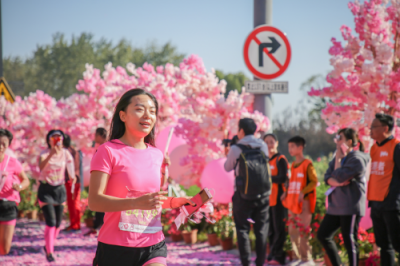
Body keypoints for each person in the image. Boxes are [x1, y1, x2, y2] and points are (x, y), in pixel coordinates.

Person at [88, 88, 195, 266]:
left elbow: (151, 201)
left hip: (153, 245)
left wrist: (178, 202)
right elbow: (94, 201)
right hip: (116, 248)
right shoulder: (107, 151)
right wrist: (135, 203)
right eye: (139, 109)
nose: (148, 116)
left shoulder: (157, 154)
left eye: (152, 111)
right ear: (123, 115)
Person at [317, 128, 369, 266]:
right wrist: (336, 179)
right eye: (337, 137)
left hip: (351, 205)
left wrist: (337, 176)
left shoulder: (357, 159)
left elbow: (338, 176)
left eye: (340, 138)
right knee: (323, 234)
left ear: (349, 142)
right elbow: (328, 177)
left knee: (348, 239)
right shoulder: (337, 158)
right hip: (336, 206)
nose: (337, 141)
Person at [224, 118, 270, 266]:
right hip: (263, 194)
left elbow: (227, 167)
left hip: (242, 195)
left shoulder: (236, 148)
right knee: (261, 230)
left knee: (242, 230)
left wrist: (228, 152)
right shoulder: (263, 145)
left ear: (241, 131)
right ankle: (260, 263)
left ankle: (246, 263)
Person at [38, 129, 76, 262]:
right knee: (51, 222)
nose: (56, 140)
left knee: (58, 224)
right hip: (46, 189)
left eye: (58, 137)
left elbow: (70, 166)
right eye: (53, 137)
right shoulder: (44, 153)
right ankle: (50, 252)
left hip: (59, 189)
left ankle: (48, 245)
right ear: (49, 140)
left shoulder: (66, 153)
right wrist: (51, 154)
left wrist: (73, 177)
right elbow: (41, 167)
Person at [368, 113, 400, 266]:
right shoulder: (374, 148)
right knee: (383, 245)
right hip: (375, 203)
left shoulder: (396, 146)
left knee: (398, 243)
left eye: (374, 127)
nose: (370, 129)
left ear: (385, 128)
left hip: (391, 204)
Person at [281, 136, 317, 266]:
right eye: (289, 146)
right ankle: (296, 257)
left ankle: (306, 259)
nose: (289, 149)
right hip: (292, 201)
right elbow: (291, 181)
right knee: (292, 230)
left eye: (292, 146)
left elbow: (314, 181)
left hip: (304, 202)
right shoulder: (293, 165)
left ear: (300, 148)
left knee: (303, 230)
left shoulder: (307, 163)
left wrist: (303, 192)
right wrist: (285, 192)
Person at [0, 129, 29, 255]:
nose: (0, 146)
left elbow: (26, 180)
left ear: (8, 145)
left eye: (4, 143)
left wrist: (20, 186)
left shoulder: (12, 162)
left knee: (4, 249)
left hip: (8, 206)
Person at [263, 133, 289, 266]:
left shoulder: (281, 159)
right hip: (267, 199)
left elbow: (283, 178)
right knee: (270, 229)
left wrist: (267, 178)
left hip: (279, 199)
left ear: (277, 143)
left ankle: (279, 257)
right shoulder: (264, 160)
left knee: (279, 228)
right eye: (266, 142)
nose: (269, 145)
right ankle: (272, 253)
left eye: (271, 142)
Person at [85, 128, 107, 236]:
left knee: (101, 204)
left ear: (100, 135)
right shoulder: (104, 147)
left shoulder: (104, 148)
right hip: (102, 179)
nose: (94, 138)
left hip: (103, 180)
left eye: (96, 135)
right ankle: (97, 226)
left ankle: (98, 227)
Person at [62, 134, 81, 232]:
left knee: (72, 204)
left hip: (70, 180)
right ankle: (76, 224)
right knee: (75, 203)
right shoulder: (75, 151)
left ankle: (74, 225)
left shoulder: (65, 152)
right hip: (77, 179)